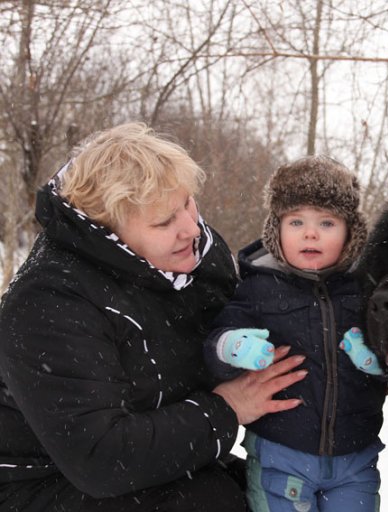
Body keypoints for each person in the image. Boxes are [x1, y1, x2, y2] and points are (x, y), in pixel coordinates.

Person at [0, 122, 307, 512]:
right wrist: (226, 409)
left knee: (284, 493)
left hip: (163, 447)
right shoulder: (49, 301)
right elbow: (99, 460)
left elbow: (252, 325)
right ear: (108, 230)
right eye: (163, 222)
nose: (190, 228)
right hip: (42, 480)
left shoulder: (194, 253)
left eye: (187, 203)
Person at [203, 155, 388, 512]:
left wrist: (377, 357)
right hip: (280, 455)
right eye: (297, 220)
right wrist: (233, 347)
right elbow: (215, 340)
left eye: (327, 222)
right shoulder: (258, 286)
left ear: (352, 233)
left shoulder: (365, 288)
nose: (311, 232)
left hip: (356, 457)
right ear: (277, 229)